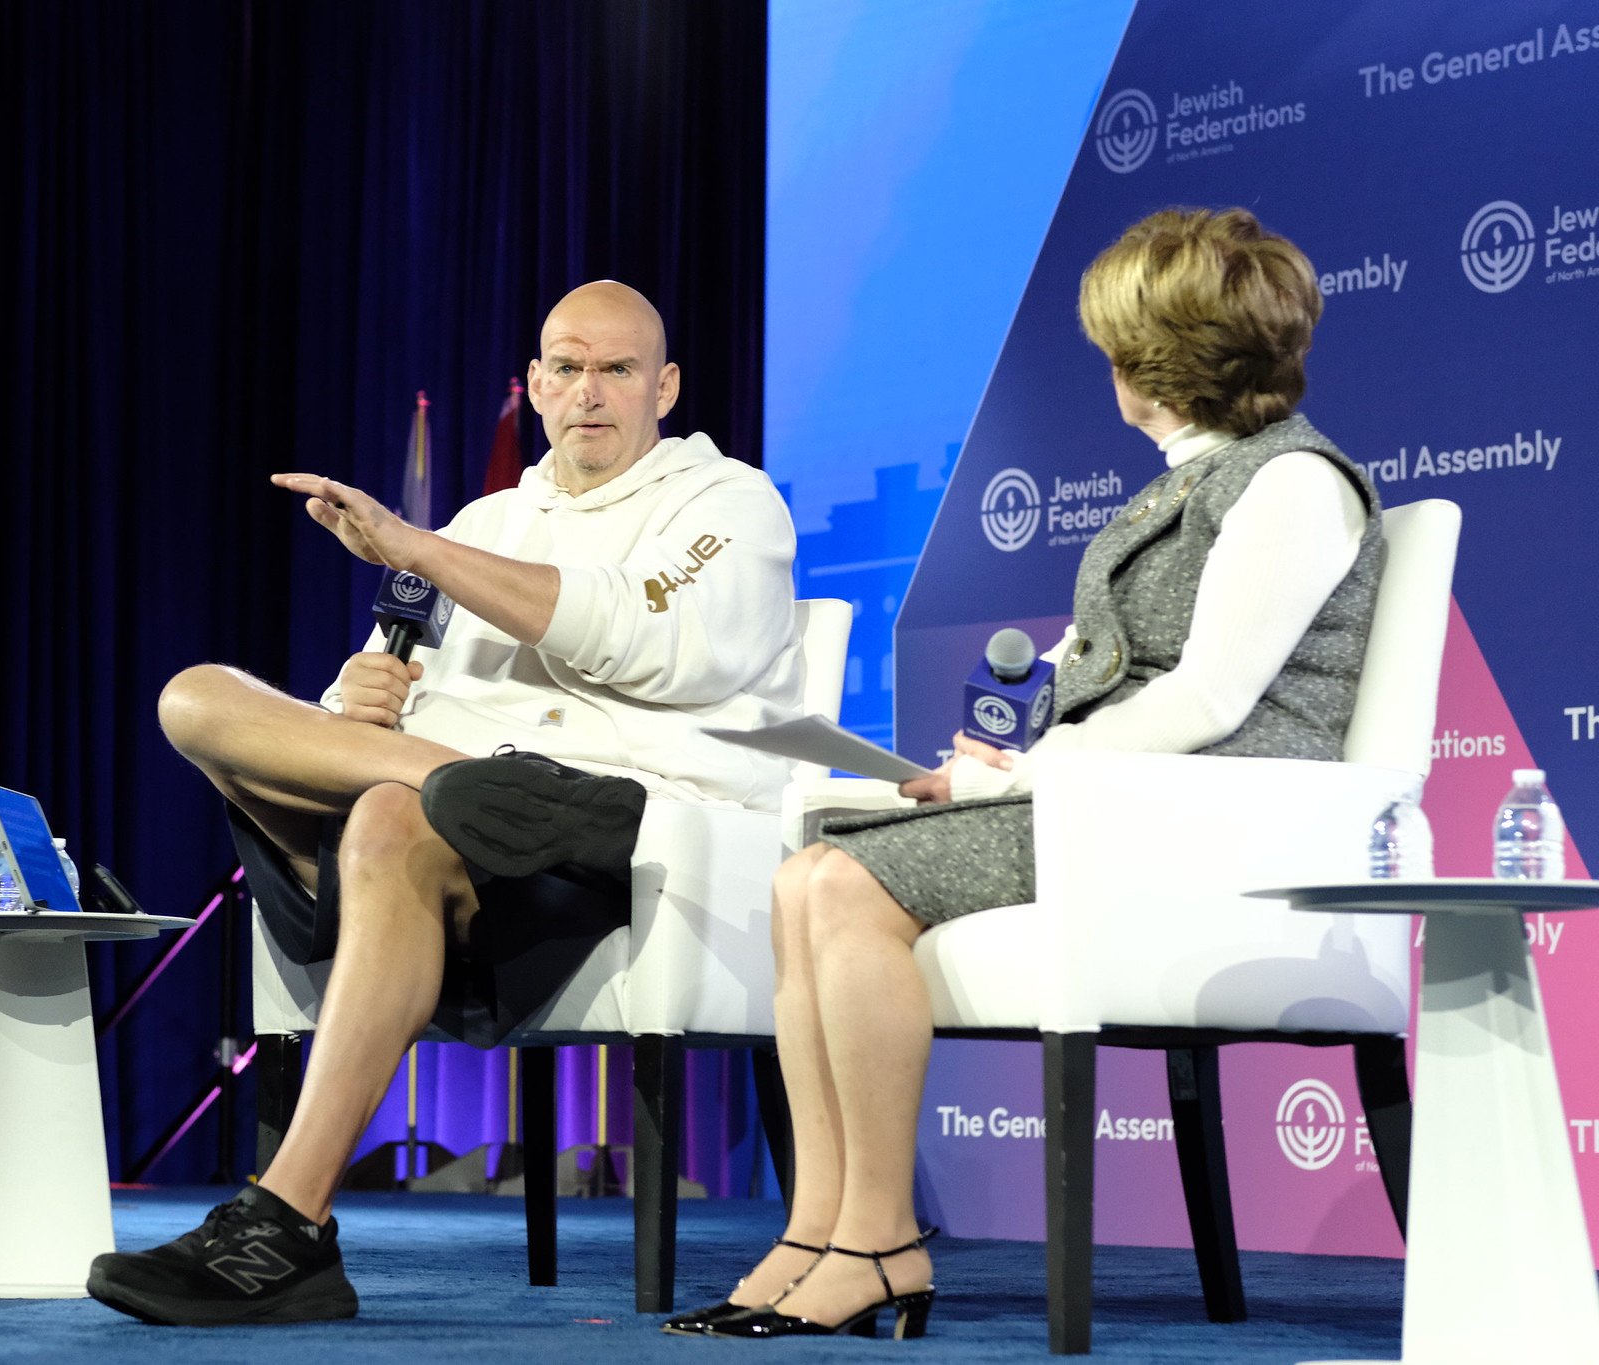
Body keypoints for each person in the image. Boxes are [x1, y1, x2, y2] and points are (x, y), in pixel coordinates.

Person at [676, 208, 1384, 1341]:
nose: (1100, 363)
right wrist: (988, 756)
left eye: (1114, 343)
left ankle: (878, 1240)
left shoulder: (1293, 484)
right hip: (1115, 803)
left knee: (846, 887)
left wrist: (1011, 781)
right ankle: (816, 1228)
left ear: (1155, 357)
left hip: (1209, 823)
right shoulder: (1182, 484)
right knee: (806, 873)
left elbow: (1208, 702)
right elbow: (1098, 665)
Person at [88, 280, 806, 1327]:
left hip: (607, 834)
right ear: (533, 383)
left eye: (615, 369)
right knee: (195, 698)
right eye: (565, 367)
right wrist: (358, 700)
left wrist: (415, 546)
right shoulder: (492, 516)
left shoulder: (728, 503)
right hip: (444, 806)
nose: (587, 392)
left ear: (666, 385)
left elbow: (648, 641)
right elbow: (387, 678)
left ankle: (284, 1228)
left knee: (387, 816)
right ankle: (450, 783)